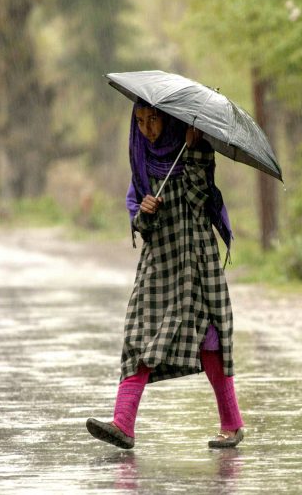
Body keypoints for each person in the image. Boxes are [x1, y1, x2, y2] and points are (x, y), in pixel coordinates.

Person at [86, 100, 244, 450]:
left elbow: (200, 198)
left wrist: (191, 153)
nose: (147, 130)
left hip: (195, 263)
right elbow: (141, 226)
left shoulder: (195, 150)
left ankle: (232, 424)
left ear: (168, 120)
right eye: (140, 122)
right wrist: (145, 212)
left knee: (209, 342)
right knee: (138, 335)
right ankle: (122, 424)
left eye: (153, 121)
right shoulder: (142, 161)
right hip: (158, 265)